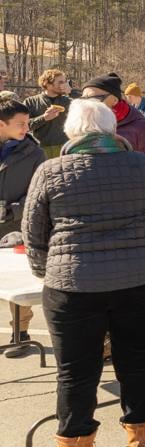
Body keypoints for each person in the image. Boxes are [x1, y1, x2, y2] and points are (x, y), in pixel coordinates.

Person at [22, 99, 145, 447]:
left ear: (72, 132)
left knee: (76, 370)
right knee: (138, 360)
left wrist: (46, 270)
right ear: (111, 130)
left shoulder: (51, 170)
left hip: (73, 285)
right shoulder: (142, 164)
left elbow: (35, 233)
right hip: (139, 279)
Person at [0, 97, 46, 358]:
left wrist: (11, 209)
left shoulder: (34, 153)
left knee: (16, 284)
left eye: (28, 123)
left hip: (16, 227)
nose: (26, 128)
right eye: (20, 124)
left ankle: (21, 333)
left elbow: (38, 194)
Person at [81, 73, 145, 156]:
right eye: (84, 99)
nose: (88, 104)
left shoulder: (141, 129)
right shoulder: (81, 126)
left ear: (115, 100)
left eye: (95, 99)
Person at [23, 69, 72, 159]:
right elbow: (24, 125)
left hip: (65, 149)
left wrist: (72, 93)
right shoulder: (31, 102)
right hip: (40, 150)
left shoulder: (69, 101)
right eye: (60, 82)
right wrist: (44, 118)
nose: (64, 85)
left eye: (65, 82)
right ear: (48, 84)